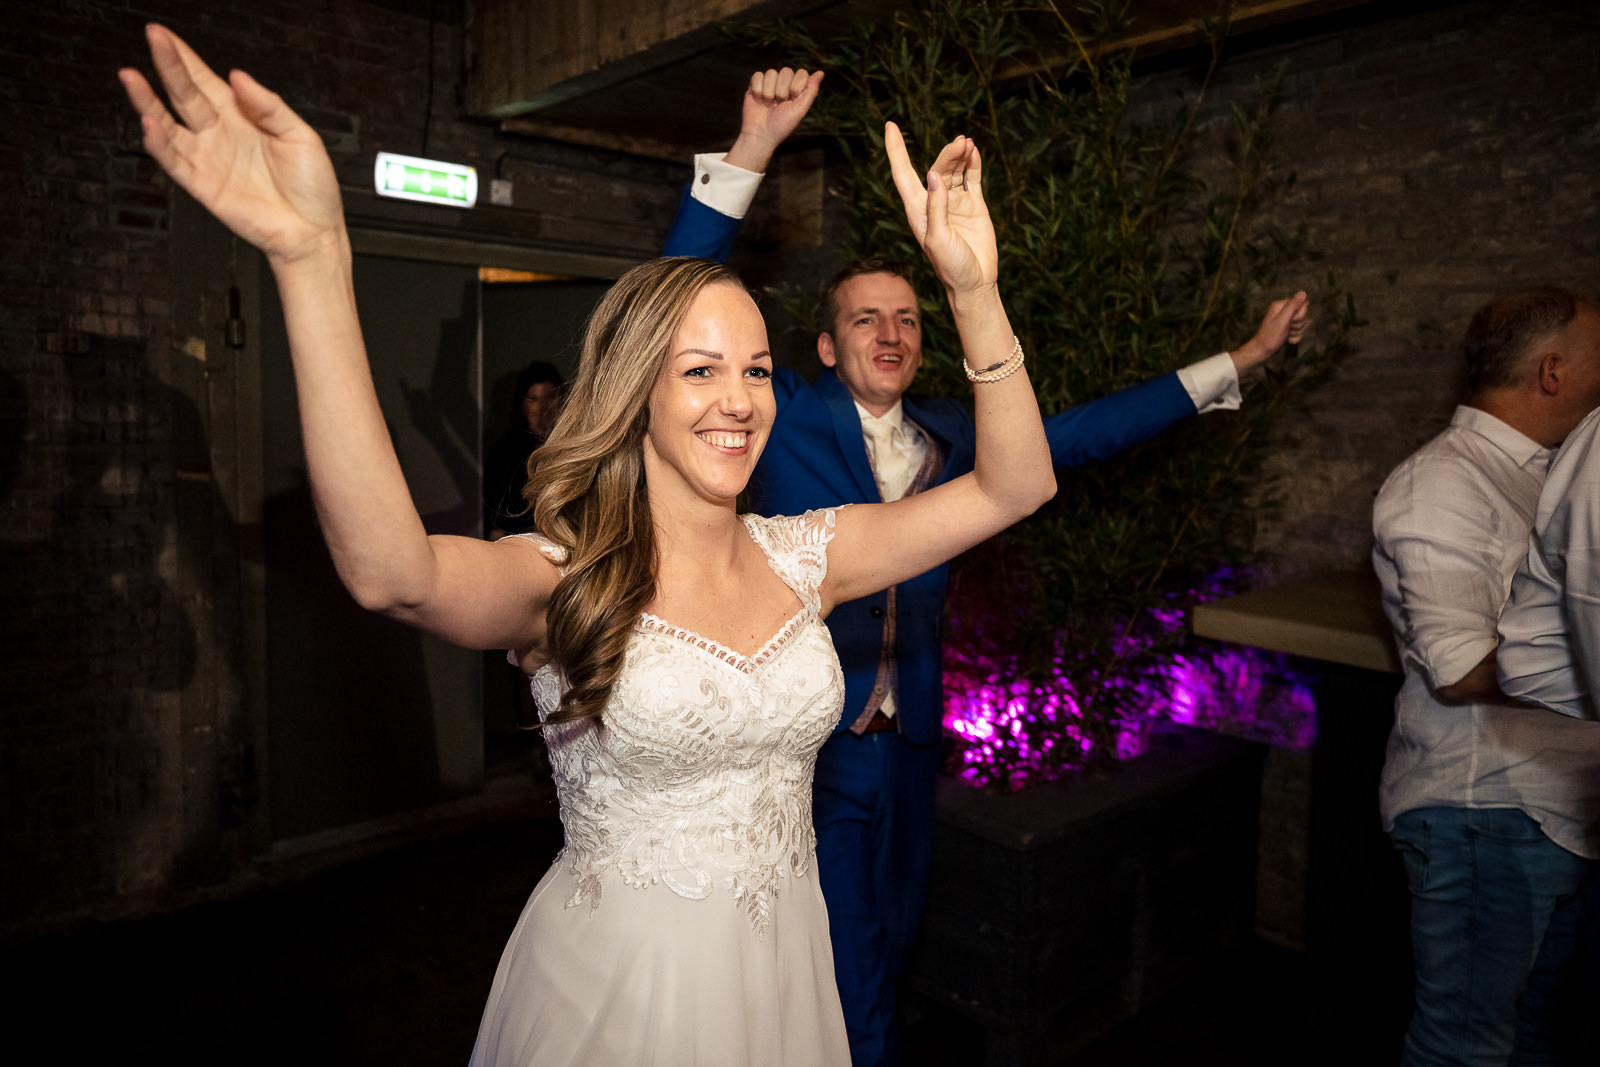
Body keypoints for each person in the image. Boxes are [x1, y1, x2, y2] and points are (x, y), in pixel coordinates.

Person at [121, 25, 1057, 1066]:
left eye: (755, 369)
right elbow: (393, 571)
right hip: (626, 996)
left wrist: (973, 288)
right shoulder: (564, 577)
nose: (738, 400)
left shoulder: (809, 553)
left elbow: (1017, 482)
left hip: (786, 971)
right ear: (638, 394)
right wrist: (311, 258)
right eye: (699, 371)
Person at [663, 68, 1312, 1065]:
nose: (890, 332)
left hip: (914, 735)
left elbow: (1085, 434)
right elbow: (670, 310)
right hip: (812, 736)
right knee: (836, 941)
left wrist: (1240, 359)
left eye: (907, 319)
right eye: (866, 320)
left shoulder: (958, 435)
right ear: (828, 349)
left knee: (896, 921)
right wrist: (751, 150)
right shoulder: (779, 413)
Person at [1372, 287, 1600, 1066]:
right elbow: (1461, 667)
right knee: (1464, 1048)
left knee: (1532, 1038)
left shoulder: (1553, 472)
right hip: (1486, 811)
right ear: (1552, 371)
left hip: (1552, 809)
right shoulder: (1444, 481)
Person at [484, 361, 564, 539]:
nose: (543, 408)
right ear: (522, 404)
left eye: (550, 397)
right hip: (521, 547)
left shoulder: (570, 446)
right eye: (533, 399)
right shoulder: (506, 451)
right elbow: (497, 522)